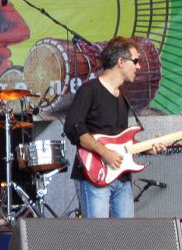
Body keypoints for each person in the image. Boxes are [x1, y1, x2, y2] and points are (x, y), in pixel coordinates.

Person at [63, 36, 164, 218]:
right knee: (98, 233)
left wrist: (147, 148)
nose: (139, 67)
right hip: (94, 175)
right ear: (121, 62)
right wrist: (104, 152)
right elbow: (73, 127)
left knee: (124, 234)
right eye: (135, 61)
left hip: (122, 178)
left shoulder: (122, 97)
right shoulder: (89, 90)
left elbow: (120, 141)